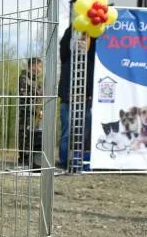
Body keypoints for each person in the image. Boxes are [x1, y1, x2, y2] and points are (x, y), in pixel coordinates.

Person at [58, 9, 97, 171]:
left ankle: (80, 161)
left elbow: (94, 44)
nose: (81, 42)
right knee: (67, 132)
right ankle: (64, 160)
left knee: (84, 132)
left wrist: (91, 28)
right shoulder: (67, 57)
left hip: (85, 99)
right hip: (68, 99)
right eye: (79, 39)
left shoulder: (89, 59)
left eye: (84, 40)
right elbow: (64, 43)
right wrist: (76, 23)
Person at [17, 57, 43, 171]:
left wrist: (39, 110)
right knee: (25, 133)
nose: (40, 69)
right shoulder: (24, 78)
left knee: (34, 134)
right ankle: (24, 156)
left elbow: (39, 97)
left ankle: (32, 156)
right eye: (39, 66)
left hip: (35, 112)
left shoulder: (36, 80)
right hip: (26, 111)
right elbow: (25, 97)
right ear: (33, 65)